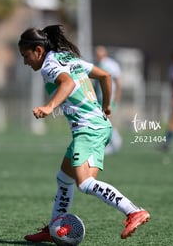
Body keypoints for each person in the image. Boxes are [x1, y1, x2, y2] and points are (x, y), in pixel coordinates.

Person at [18, 25, 149, 242]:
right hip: (96, 126)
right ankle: (54, 227)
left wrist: (49, 107)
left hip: (89, 129)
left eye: (26, 55)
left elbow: (67, 83)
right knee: (64, 178)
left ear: (39, 51)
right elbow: (105, 76)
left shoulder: (49, 65)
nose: (25, 61)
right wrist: (106, 106)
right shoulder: (67, 58)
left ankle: (133, 211)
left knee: (85, 183)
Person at [95, 45, 123, 154]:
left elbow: (118, 82)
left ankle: (115, 141)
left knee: (107, 121)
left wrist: (116, 99)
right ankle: (111, 142)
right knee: (102, 121)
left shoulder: (111, 64)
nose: (97, 56)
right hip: (100, 98)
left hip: (109, 98)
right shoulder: (97, 64)